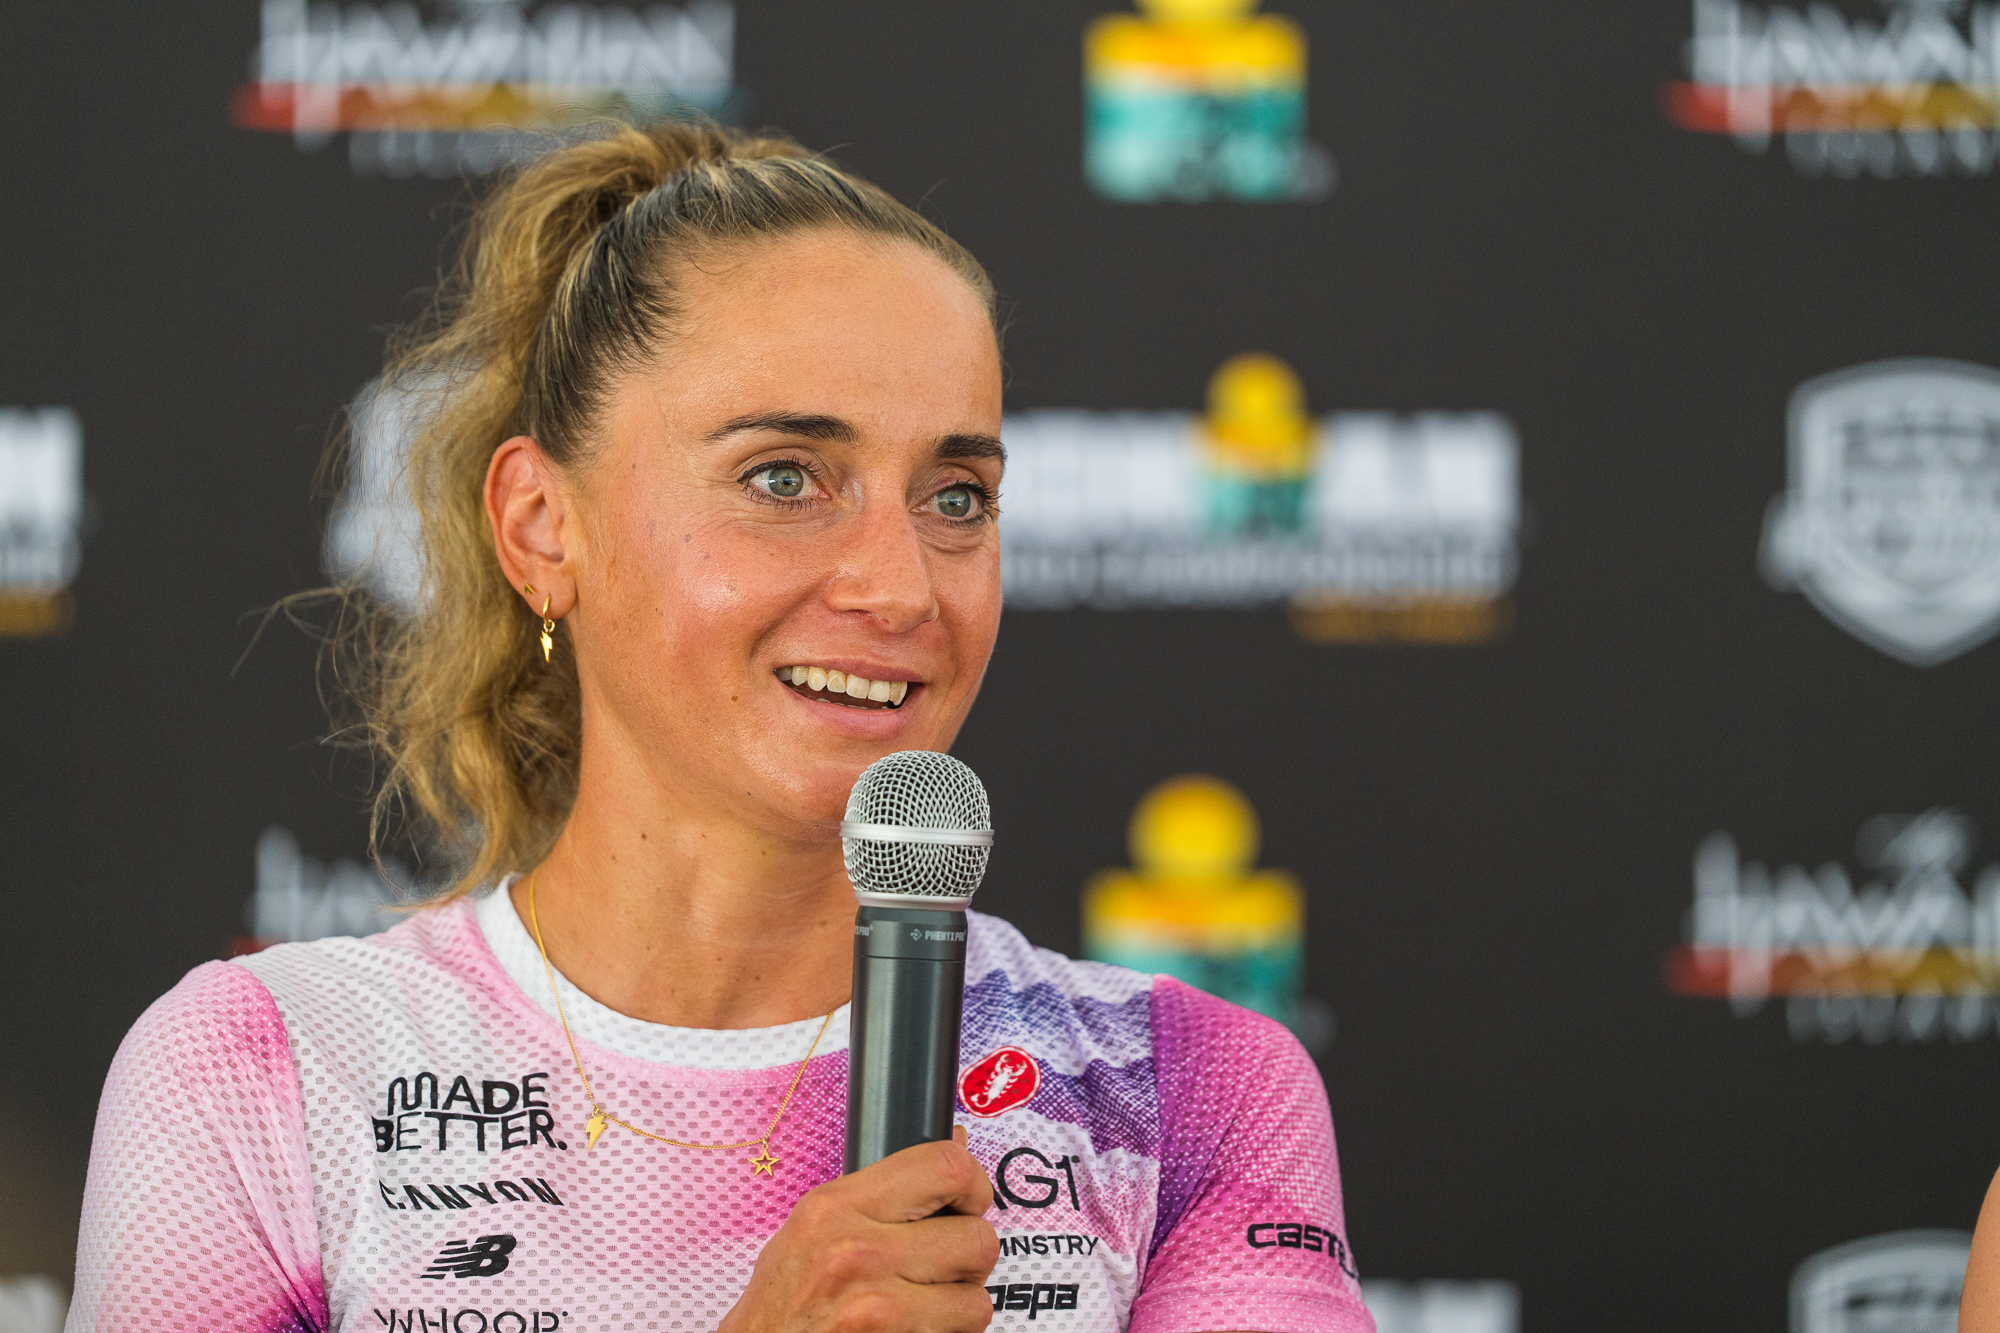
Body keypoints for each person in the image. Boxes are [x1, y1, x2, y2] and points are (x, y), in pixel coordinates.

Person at [67, 120, 1373, 1333]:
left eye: (956, 496)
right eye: (784, 477)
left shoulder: (1188, 1093)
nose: (902, 588)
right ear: (542, 527)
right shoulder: (266, 1072)